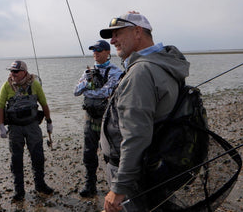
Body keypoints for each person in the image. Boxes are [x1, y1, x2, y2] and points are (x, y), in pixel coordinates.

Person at [98, 12, 189, 212]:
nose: (112, 41)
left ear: (137, 31)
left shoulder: (141, 73)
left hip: (136, 177)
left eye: (117, 34)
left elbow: (136, 137)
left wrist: (119, 188)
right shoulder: (164, 63)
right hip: (154, 168)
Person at [0, 60, 54, 202]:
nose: (12, 74)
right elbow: (0, 106)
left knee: (38, 157)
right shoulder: (6, 86)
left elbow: (44, 103)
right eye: (11, 71)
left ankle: (40, 185)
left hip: (32, 126)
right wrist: (1, 126)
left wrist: (49, 121)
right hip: (15, 128)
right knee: (16, 159)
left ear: (24, 72)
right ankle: (19, 191)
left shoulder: (34, 84)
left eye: (15, 71)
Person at [74, 40, 122, 197]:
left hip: (107, 119)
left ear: (108, 53)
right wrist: (88, 82)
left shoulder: (115, 71)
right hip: (90, 118)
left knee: (111, 153)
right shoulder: (88, 72)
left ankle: (115, 187)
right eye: (94, 50)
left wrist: (88, 89)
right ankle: (90, 184)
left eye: (99, 50)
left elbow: (107, 93)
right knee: (88, 152)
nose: (95, 53)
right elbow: (76, 91)